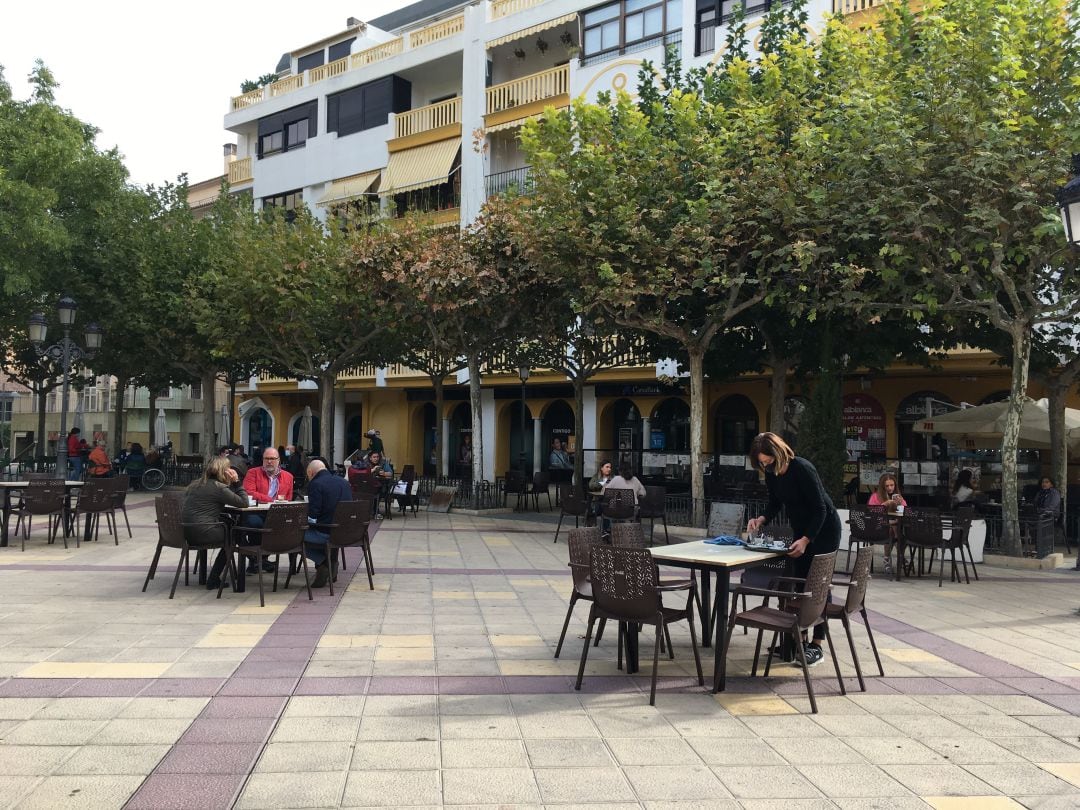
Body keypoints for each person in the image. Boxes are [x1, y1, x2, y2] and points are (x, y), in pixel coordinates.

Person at [746, 432, 841, 669]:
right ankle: (800, 641)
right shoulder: (771, 473)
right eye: (762, 463)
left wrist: (807, 539)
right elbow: (776, 502)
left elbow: (820, 508)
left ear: (779, 453)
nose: (766, 467)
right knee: (798, 583)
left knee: (818, 585)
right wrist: (762, 518)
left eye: (769, 461)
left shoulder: (803, 468)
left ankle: (817, 645)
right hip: (801, 530)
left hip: (824, 529)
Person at [182, 456, 249, 590]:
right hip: (203, 533)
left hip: (186, 532)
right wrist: (237, 482)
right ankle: (213, 578)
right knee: (234, 537)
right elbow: (244, 503)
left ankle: (249, 560)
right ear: (223, 471)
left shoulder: (195, 484)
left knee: (229, 527)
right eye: (229, 468)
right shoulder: (219, 488)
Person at [303, 458, 353, 587]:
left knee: (293, 537)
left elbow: (313, 514)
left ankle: (324, 562)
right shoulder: (344, 482)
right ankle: (330, 563)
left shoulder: (316, 484)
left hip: (326, 532)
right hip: (347, 532)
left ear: (310, 472)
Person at [868, 472, 907, 576]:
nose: (890, 488)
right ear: (882, 486)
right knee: (893, 529)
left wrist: (901, 504)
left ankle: (888, 559)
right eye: (887, 486)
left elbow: (906, 512)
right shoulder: (875, 496)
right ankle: (900, 555)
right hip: (878, 527)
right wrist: (884, 505)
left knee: (894, 527)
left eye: (892, 485)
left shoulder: (898, 496)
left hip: (893, 527)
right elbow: (871, 513)